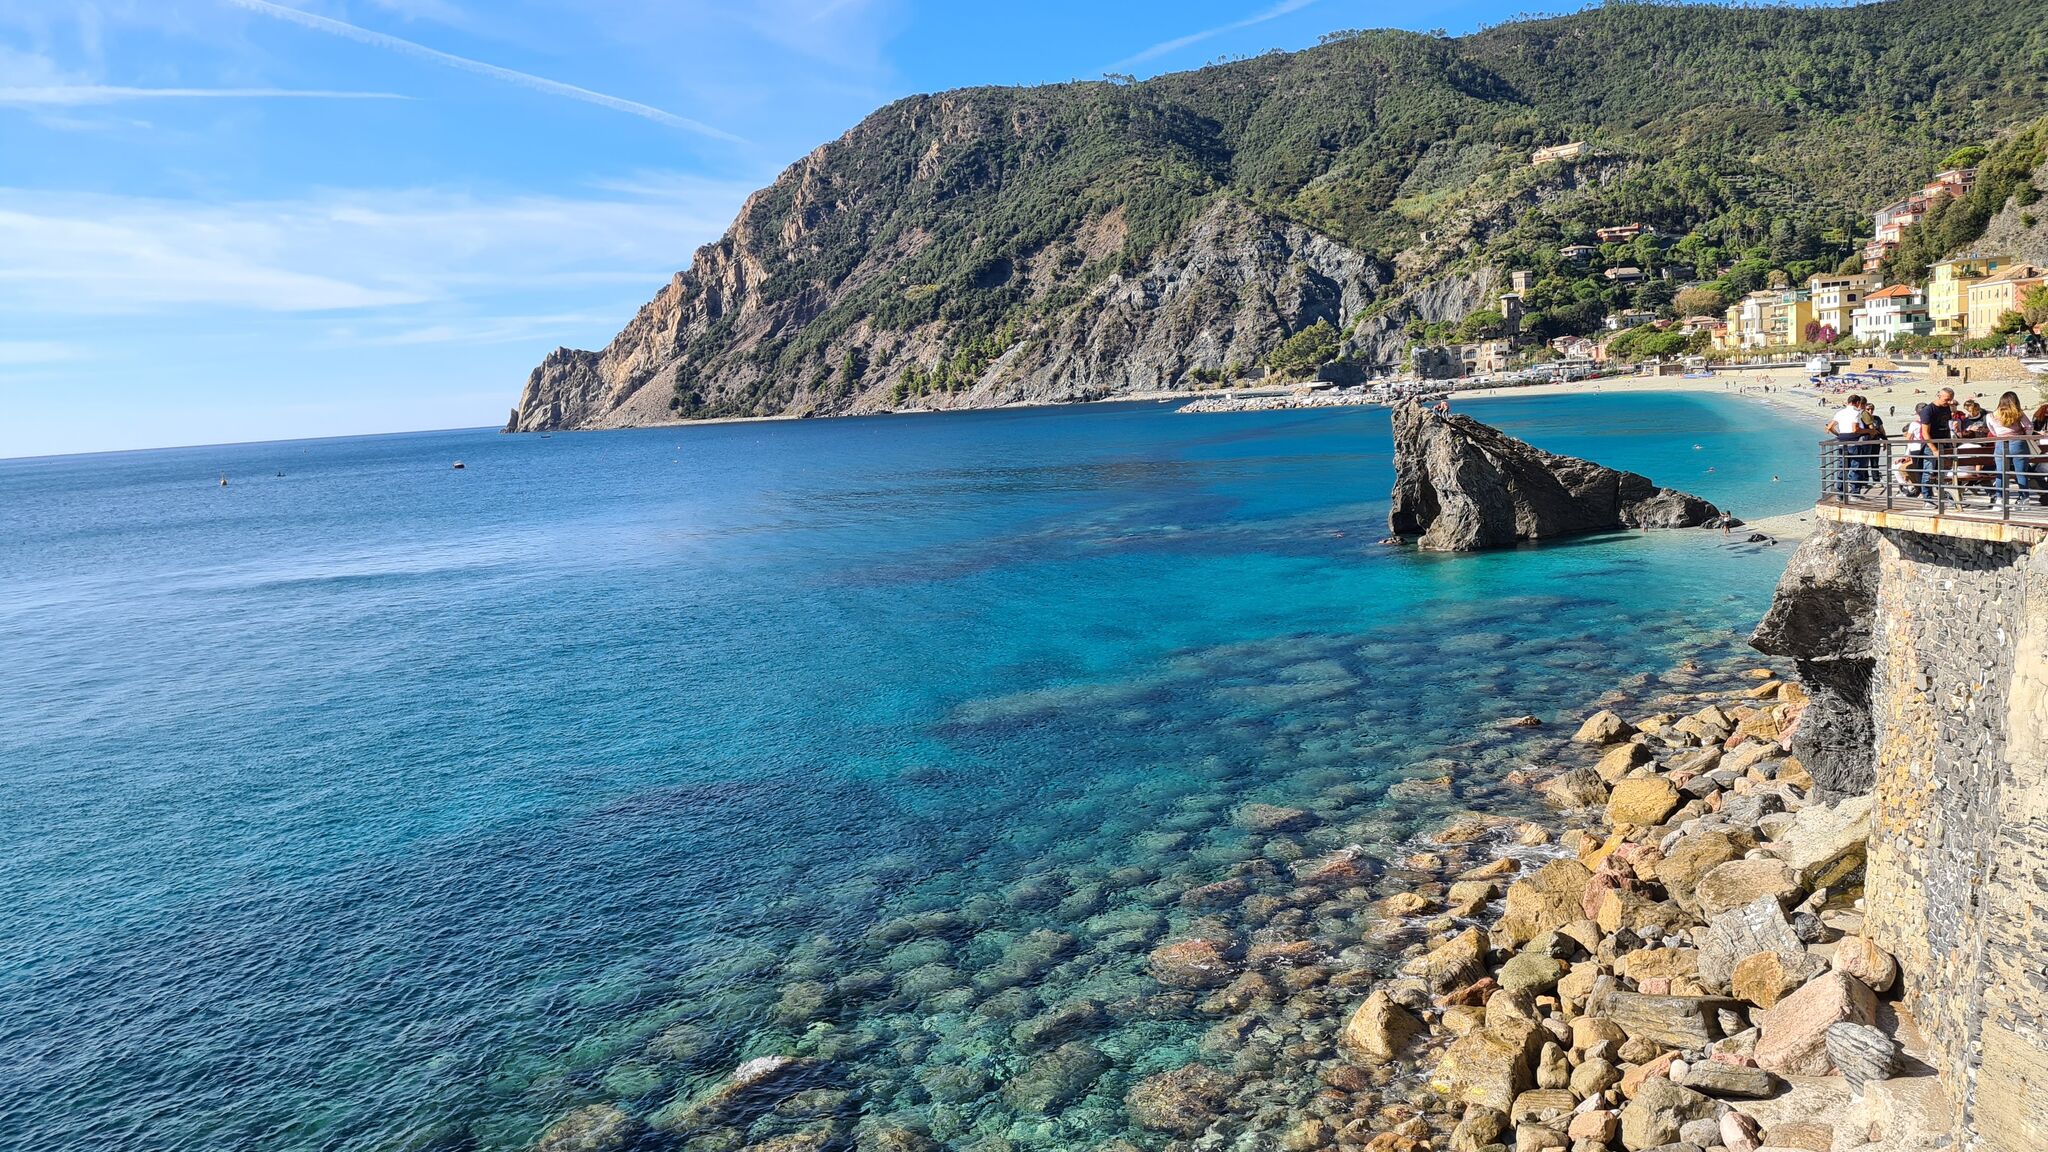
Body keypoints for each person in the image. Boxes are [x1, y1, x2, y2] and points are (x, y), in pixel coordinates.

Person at [1987, 390, 2035, 504]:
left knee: (2001, 472)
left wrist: (2000, 434)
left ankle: (2000, 499)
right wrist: (2024, 436)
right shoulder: (2018, 413)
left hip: (2000, 442)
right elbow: (2029, 427)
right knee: (2021, 472)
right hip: (2018, 442)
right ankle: (2024, 498)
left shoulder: (1992, 415)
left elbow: (1992, 430)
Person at [1826, 394, 1875, 497]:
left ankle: (1840, 493)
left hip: (1841, 442)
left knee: (1842, 467)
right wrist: (1868, 431)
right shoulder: (1855, 413)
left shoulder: (1840, 412)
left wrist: (1839, 435)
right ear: (1857, 403)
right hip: (1853, 442)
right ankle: (1854, 494)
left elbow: (1829, 427)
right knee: (1855, 468)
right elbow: (1855, 429)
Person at [1914, 387, 1956, 500]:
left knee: (1945, 471)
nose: (1949, 402)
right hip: (1931, 444)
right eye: (1947, 399)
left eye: (1951, 399)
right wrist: (1934, 449)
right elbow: (1925, 433)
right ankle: (1927, 497)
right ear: (1939, 396)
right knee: (1929, 471)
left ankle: (1944, 493)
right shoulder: (1928, 410)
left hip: (1945, 442)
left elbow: (1947, 425)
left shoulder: (1946, 408)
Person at [1955, 399, 1993, 497]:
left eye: (1973, 411)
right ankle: (1972, 485)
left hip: (1983, 444)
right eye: (1969, 412)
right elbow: (1963, 433)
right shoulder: (1966, 420)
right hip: (1972, 444)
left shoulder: (1986, 417)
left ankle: (1971, 484)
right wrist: (1968, 429)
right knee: (1978, 469)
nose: (1971, 414)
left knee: (1980, 468)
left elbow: (1992, 429)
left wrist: (1984, 429)